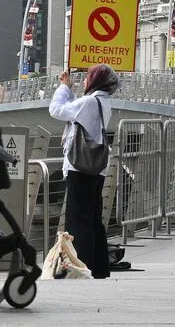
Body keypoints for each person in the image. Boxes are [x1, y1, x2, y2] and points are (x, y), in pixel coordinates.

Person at [50, 64, 118, 278]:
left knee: (78, 220)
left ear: (96, 80)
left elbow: (56, 110)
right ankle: (98, 268)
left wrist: (63, 87)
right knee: (93, 219)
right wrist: (70, 91)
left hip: (81, 167)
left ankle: (81, 267)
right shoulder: (102, 102)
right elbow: (75, 111)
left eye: (89, 76)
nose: (85, 79)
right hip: (96, 168)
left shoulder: (89, 102)